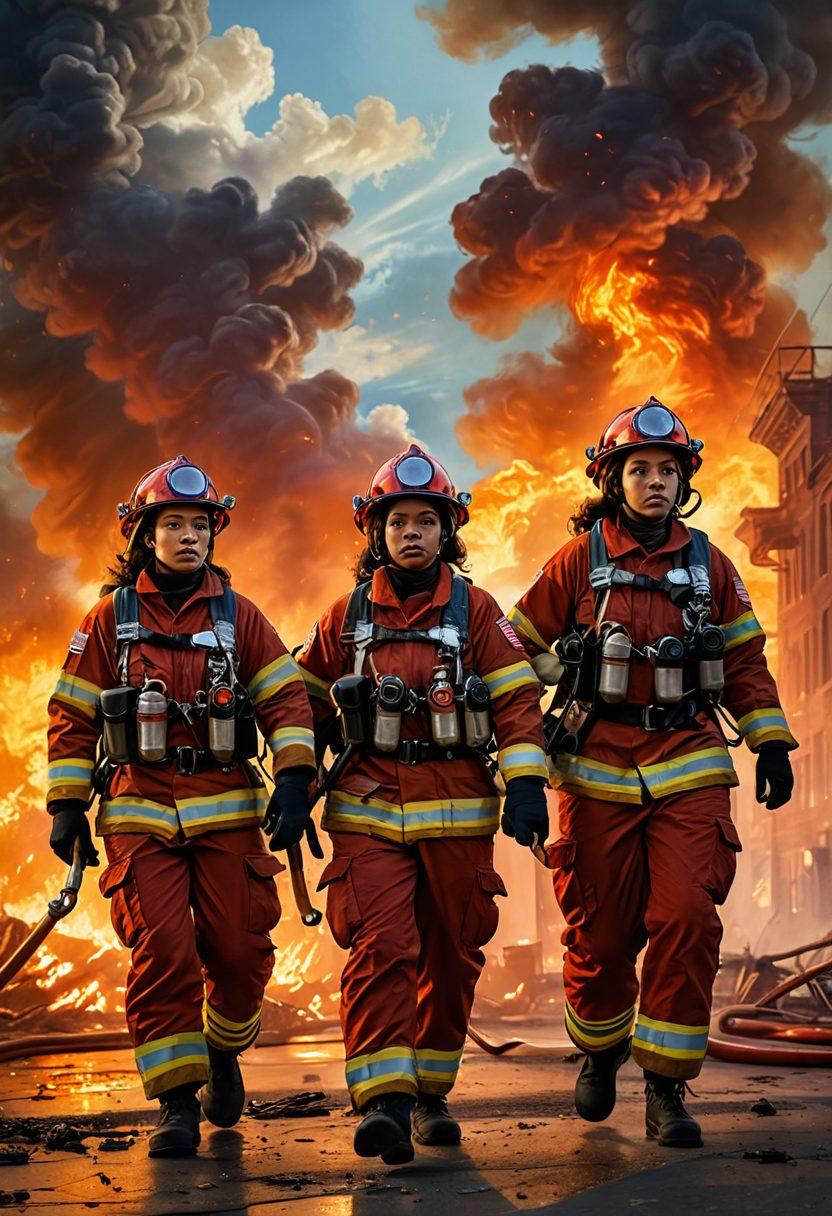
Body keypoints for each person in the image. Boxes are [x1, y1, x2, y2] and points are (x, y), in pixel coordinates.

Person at [508, 398, 796, 1148]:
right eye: (640, 469)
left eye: (669, 470)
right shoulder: (577, 563)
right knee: (600, 934)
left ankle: (667, 1088)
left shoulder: (710, 564)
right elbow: (512, 646)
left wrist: (768, 740)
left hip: (689, 759)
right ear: (612, 480)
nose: (656, 482)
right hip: (596, 767)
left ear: (683, 479)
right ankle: (600, 1049)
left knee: (688, 918)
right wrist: (551, 695)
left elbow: (742, 660)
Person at [46, 456, 317, 1157]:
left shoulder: (240, 616)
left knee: (237, 951)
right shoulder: (109, 620)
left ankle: (221, 1052)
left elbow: (287, 699)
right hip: (139, 810)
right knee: (162, 951)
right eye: (174, 524)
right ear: (145, 534)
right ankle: (174, 1104)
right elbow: (72, 714)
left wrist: (293, 780)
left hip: (226, 807)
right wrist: (67, 804)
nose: (189, 537)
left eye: (200, 525)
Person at [296, 443, 548, 1163]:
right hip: (369, 809)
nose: (412, 533)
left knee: (451, 952)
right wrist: (292, 778)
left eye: (426, 521)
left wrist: (526, 782)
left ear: (448, 532)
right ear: (376, 532)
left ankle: (432, 1092)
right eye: (399, 520)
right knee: (384, 948)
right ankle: (386, 1103)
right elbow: (299, 702)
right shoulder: (342, 618)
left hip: (460, 812)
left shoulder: (478, 610)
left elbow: (517, 698)